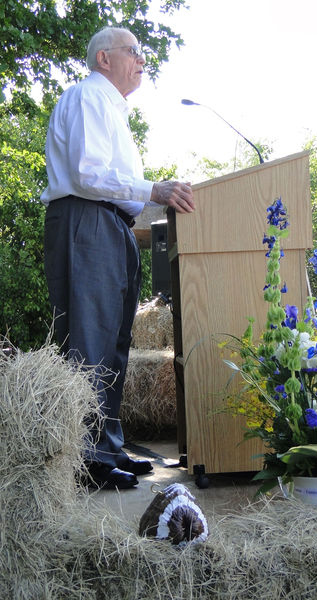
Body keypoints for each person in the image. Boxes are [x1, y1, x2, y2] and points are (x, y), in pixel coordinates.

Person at [41, 27, 195, 490]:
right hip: (86, 220)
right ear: (104, 58)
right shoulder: (89, 96)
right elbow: (89, 175)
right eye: (134, 52)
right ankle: (85, 458)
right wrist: (154, 190)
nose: (142, 60)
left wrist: (148, 199)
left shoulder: (111, 107)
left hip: (112, 225)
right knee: (89, 339)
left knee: (113, 343)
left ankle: (106, 447)